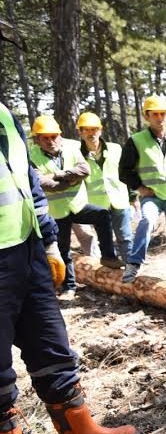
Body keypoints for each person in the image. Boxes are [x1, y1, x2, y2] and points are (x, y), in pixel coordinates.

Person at [0, 99, 137, 434]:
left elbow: (23, 178)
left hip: (25, 245)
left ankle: (76, 429)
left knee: (50, 342)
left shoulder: (5, 110)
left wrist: (48, 239)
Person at [29, 114, 123, 298]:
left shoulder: (72, 146)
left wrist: (57, 174)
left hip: (78, 206)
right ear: (37, 139)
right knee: (63, 249)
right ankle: (68, 287)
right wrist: (68, 181)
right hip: (57, 212)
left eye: (53, 136)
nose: (50, 141)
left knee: (102, 214)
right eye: (45, 138)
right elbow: (41, 182)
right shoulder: (31, 156)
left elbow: (84, 170)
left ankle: (108, 256)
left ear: (60, 136)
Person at [119, 95, 166, 283]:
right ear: (147, 116)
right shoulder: (136, 141)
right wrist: (139, 188)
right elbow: (124, 171)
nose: (160, 118)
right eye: (155, 114)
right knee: (146, 220)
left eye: (163, 114)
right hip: (152, 195)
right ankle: (134, 263)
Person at [77, 112, 133, 263]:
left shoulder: (116, 149)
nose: (91, 133)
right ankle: (112, 272)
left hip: (119, 200)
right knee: (105, 240)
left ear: (100, 130)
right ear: (80, 132)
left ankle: (132, 272)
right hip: (97, 205)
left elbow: (127, 172)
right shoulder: (77, 155)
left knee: (126, 238)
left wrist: (133, 197)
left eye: (94, 129)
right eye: (86, 130)